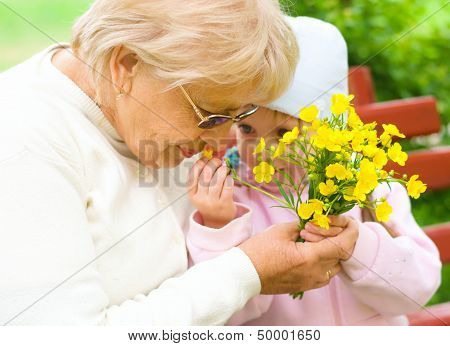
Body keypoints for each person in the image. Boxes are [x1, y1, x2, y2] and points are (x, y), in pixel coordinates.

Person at [0, 1, 358, 325]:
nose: (221, 143)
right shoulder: (24, 140)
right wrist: (247, 272)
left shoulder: (150, 105)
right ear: (125, 64)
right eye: (210, 115)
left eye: (237, 116)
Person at [186, 16, 442, 325]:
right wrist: (218, 225)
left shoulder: (368, 188)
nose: (260, 149)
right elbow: (222, 315)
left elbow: (419, 290)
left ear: (331, 131)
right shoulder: (234, 202)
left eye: (284, 134)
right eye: (247, 128)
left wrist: (358, 246)